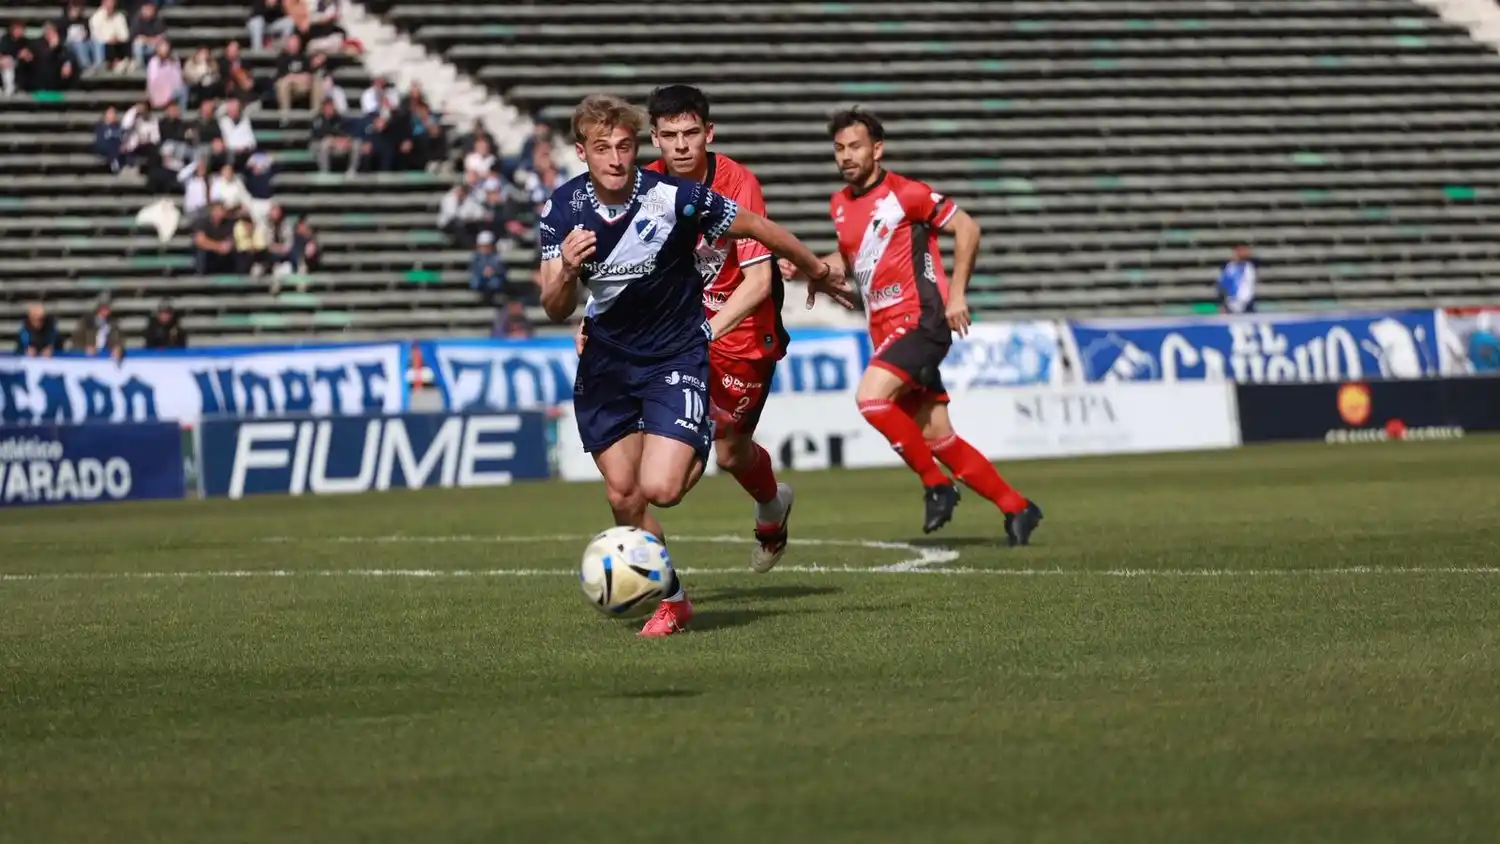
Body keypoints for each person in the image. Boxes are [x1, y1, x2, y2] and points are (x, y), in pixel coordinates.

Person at [537, 94, 848, 636]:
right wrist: (566, 270)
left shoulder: (676, 195)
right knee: (622, 494)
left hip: (699, 342)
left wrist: (814, 268)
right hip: (610, 364)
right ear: (582, 151)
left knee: (669, 485)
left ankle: (736, 467)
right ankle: (672, 598)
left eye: (624, 147)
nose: (616, 158)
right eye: (603, 148)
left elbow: (758, 240)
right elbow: (553, 303)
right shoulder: (562, 210)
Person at [784, 108, 1043, 546]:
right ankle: (1017, 507)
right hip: (885, 332)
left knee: (871, 399)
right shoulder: (840, 205)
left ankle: (936, 486)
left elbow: (968, 228)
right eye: (839, 148)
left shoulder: (906, 194)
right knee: (938, 437)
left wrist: (957, 294)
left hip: (921, 322)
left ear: (877, 149)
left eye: (856, 146)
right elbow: (849, 264)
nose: (847, 156)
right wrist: (808, 268)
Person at [644, 84, 797, 572]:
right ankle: (648, 568)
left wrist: (705, 332)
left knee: (731, 455)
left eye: (692, 133)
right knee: (669, 477)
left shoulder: (736, 182)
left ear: (709, 133)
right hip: (677, 337)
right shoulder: (642, 185)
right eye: (670, 135)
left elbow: (758, 283)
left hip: (741, 336)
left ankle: (773, 508)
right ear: (655, 139)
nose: (682, 145)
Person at [72, 293, 125, 361]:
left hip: (106, 356)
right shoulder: (87, 321)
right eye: (104, 308)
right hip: (87, 358)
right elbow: (76, 338)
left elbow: (118, 339)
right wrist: (85, 348)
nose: (107, 310)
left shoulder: (112, 323)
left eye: (108, 308)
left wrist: (117, 347)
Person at [1218, 243, 1258, 315]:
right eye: (1240, 251)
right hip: (1231, 305)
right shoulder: (1229, 268)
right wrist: (1223, 305)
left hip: (1247, 305)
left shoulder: (1250, 267)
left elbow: (1249, 287)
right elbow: (1223, 286)